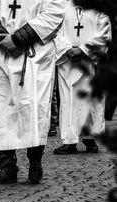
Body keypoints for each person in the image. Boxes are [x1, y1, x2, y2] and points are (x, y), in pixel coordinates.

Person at [0, 0, 65, 184]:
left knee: (33, 108)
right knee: (0, 110)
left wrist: (18, 39)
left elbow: (55, 12)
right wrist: (2, 37)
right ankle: (7, 168)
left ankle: (35, 161)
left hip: (35, 54)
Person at [53, 2, 111, 155]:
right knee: (67, 101)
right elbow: (55, 29)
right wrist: (67, 49)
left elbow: (104, 33)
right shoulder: (63, 5)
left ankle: (89, 138)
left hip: (89, 63)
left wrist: (84, 49)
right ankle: (69, 141)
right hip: (67, 62)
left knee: (90, 100)